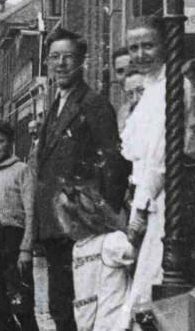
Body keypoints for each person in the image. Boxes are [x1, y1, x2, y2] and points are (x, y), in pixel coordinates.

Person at [36, 27, 129, 331]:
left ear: (82, 61)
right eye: (54, 57)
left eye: (68, 57)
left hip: (81, 229)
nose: (60, 63)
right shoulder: (56, 105)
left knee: (83, 309)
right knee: (60, 306)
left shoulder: (94, 104)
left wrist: (99, 222)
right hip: (56, 225)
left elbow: (114, 166)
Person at [120, 16, 169, 325]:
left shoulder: (168, 88)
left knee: (148, 292)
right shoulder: (148, 90)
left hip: (159, 202)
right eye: (133, 47)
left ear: (164, 44)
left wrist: (138, 210)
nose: (140, 54)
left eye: (148, 45)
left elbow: (157, 158)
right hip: (142, 197)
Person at [0, 118, 39, 331]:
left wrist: (26, 248)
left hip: (12, 240)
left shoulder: (22, 170)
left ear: (10, 142)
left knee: (21, 302)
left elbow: (31, 211)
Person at [54, 181, 145, 331]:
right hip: (91, 322)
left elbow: (133, 255)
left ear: (75, 224)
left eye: (61, 220)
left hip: (114, 322)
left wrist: (135, 238)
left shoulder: (110, 241)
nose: (60, 225)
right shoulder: (78, 248)